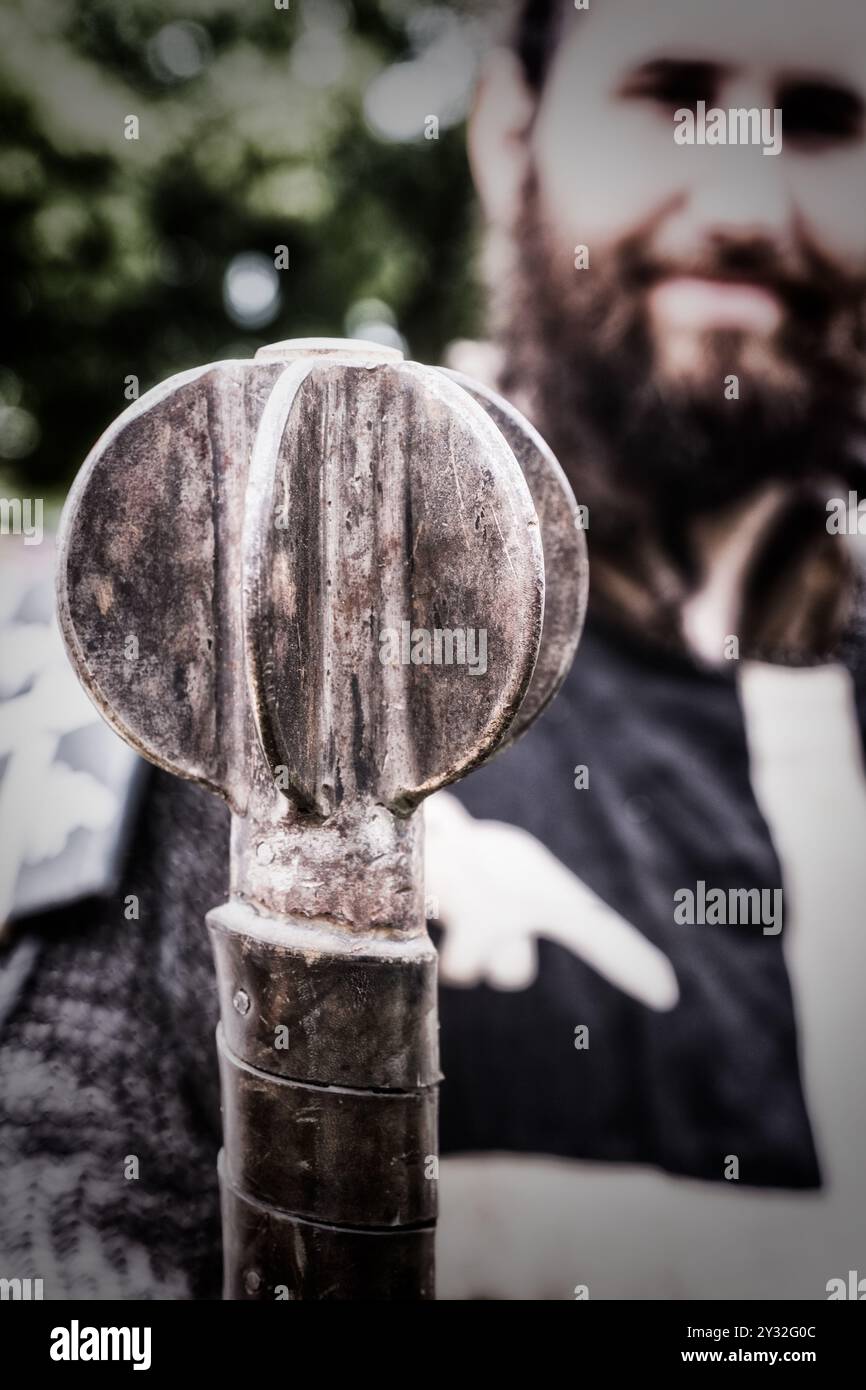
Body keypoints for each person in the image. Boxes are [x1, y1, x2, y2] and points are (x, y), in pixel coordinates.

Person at [1, 0, 865, 1300]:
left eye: (820, 120)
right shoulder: (224, 634)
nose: (741, 199)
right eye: (671, 95)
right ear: (509, 133)